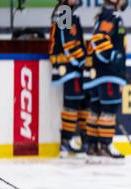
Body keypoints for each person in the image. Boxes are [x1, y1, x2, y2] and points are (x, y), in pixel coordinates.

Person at [85, 0, 128, 158]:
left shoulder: (103, 15)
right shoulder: (111, 16)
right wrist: (114, 58)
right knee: (108, 110)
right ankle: (104, 146)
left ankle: (92, 146)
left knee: (96, 109)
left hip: (99, 73)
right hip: (108, 74)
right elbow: (99, 39)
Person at [49, 0, 87, 157]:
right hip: (69, 66)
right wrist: (84, 61)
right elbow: (68, 43)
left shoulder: (69, 12)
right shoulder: (64, 11)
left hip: (73, 66)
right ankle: (66, 142)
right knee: (72, 103)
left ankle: (83, 139)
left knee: (81, 102)